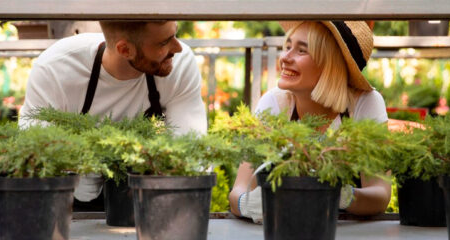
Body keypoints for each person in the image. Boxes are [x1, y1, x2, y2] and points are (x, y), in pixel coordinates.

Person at [20, 20, 207, 205]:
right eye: (164, 42)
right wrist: (87, 169)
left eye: (175, 34)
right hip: (68, 198)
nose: (178, 48)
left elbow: (190, 158)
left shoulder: (179, 64)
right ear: (125, 50)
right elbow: (36, 162)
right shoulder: (56, 70)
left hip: (148, 195)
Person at [229, 20, 390, 222]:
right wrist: (246, 203)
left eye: (301, 50)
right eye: (288, 47)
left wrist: (343, 195)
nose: (285, 58)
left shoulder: (363, 104)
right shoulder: (274, 103)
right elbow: (238, 191)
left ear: (330, 64)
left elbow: (380, 195)